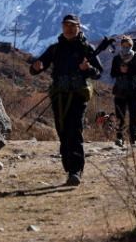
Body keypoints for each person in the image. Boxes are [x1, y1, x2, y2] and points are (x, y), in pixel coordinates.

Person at [29, 14, 102, 186]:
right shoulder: (55, 49)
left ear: (79, 27)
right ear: (62, 28)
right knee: (62, 131)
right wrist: (35, 67)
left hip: (77, 96)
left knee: (74, 130)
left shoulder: (87, 48)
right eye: (66, 26)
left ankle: (75, 171)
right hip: (58, 97)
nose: (69, 29)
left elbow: (98, 72)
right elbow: (38, 67)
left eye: (72, 26)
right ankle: (69, 167)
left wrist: (88, 68)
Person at [110, 35, 136, 147]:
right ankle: (119, 138)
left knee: (133, 116)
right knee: (119, 116)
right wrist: (120, 70)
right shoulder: (116, 58)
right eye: (124, 45)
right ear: (121, 45)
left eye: (128, 46)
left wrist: (128, 70)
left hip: (133, 90)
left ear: (131, 46)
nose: (126, 47)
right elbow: (112, 73)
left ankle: (133, 139)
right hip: (119, 90)